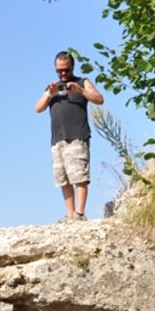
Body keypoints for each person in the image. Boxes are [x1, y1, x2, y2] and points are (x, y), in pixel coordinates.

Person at [34, 51, 104, 222]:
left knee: (79, 176)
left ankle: (79, 213)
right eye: (59, 71)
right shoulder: (53, 88)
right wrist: (49, 94)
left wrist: (81, 91)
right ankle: (70, 214)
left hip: (77, 136)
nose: (63, 73)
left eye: (66, 70)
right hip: (58, 139)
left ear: (73, 67)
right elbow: (38, 108)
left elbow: (99, 99)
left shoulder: (82, 82)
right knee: (63, 178)